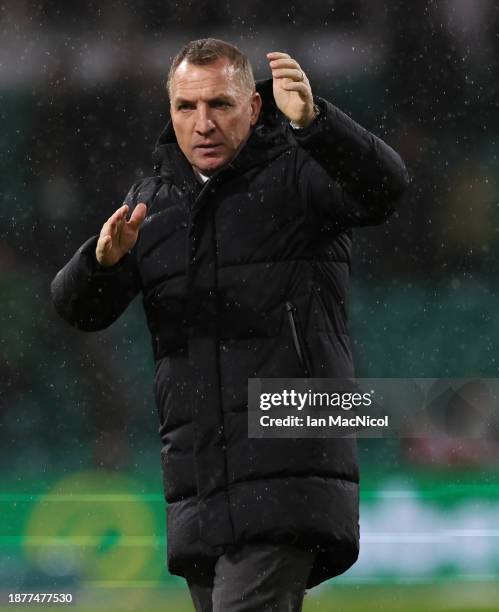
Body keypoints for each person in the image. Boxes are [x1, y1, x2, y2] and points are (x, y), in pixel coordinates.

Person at [51, 38, 409, 611]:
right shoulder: (153, 202)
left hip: (285, 466)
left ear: (256, 108)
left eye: (219, 104)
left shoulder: (302, 175)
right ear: (169, 111)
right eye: (186, 107)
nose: (202, 123)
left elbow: (387, 187)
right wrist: (100, 263)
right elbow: (77, 311)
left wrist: (317, 124)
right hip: (199, 484)